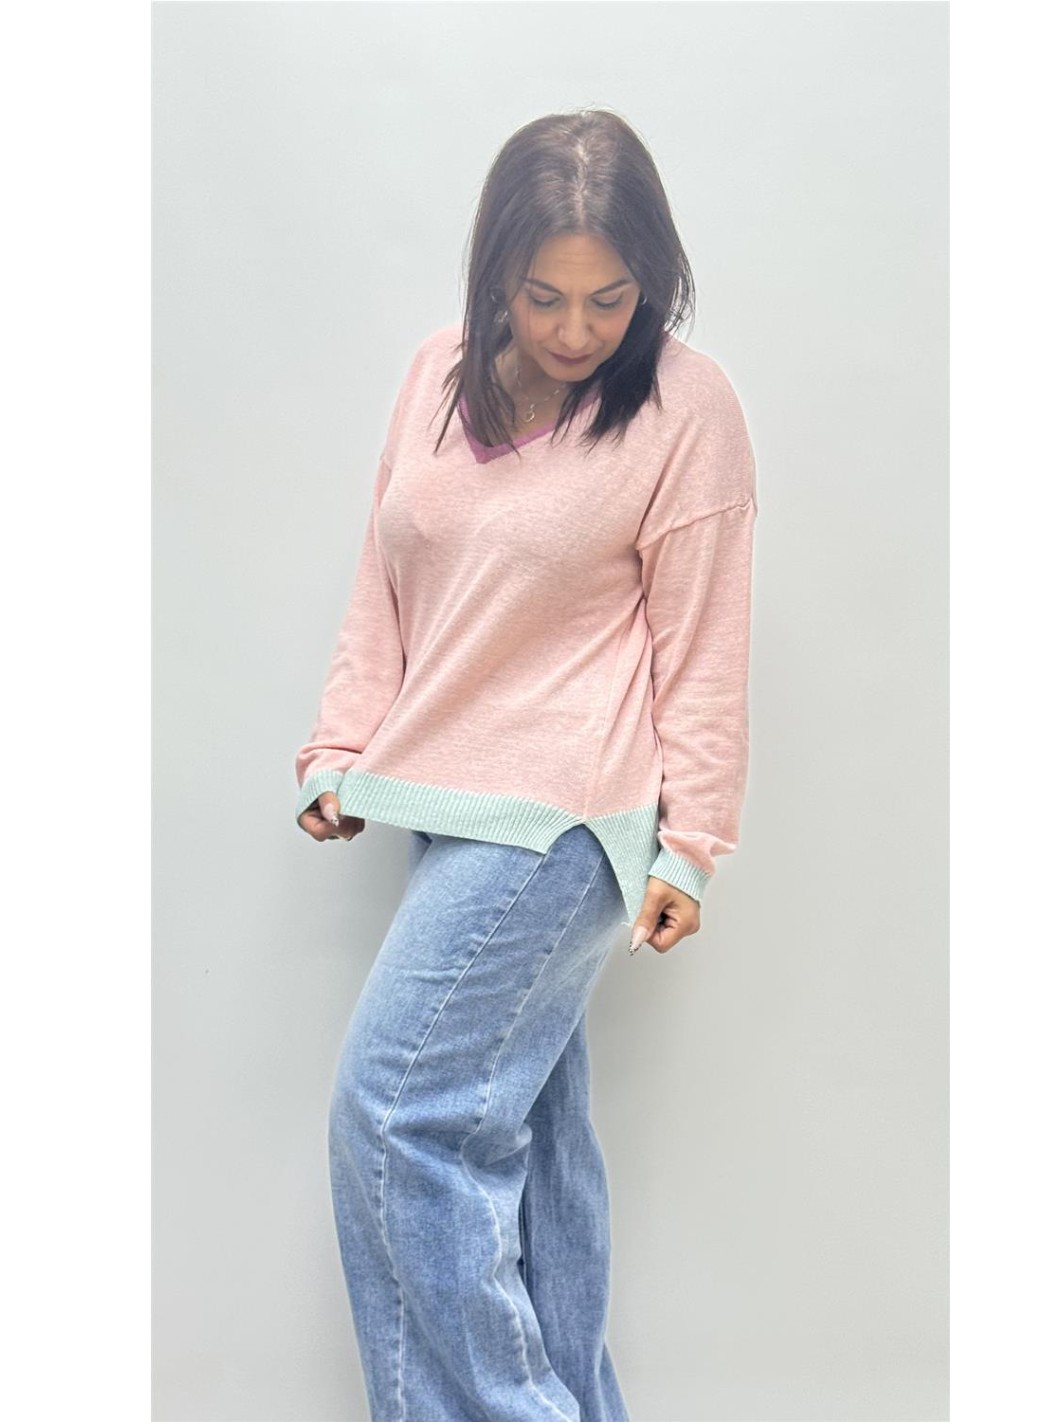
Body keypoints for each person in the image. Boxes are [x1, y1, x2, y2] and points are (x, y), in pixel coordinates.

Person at [294, 108, 758, 1422]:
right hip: (439, 806)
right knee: (532, 1145)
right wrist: (341, 743)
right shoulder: (435, 374)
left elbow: (704, 641)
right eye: (543, 295)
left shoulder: (685, 406)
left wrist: (693, 844)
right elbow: (384, 579)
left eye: (610, 299)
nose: (575, 330)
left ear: (652, 280)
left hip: (568, 821)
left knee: (394, 1116)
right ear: (495, 272)